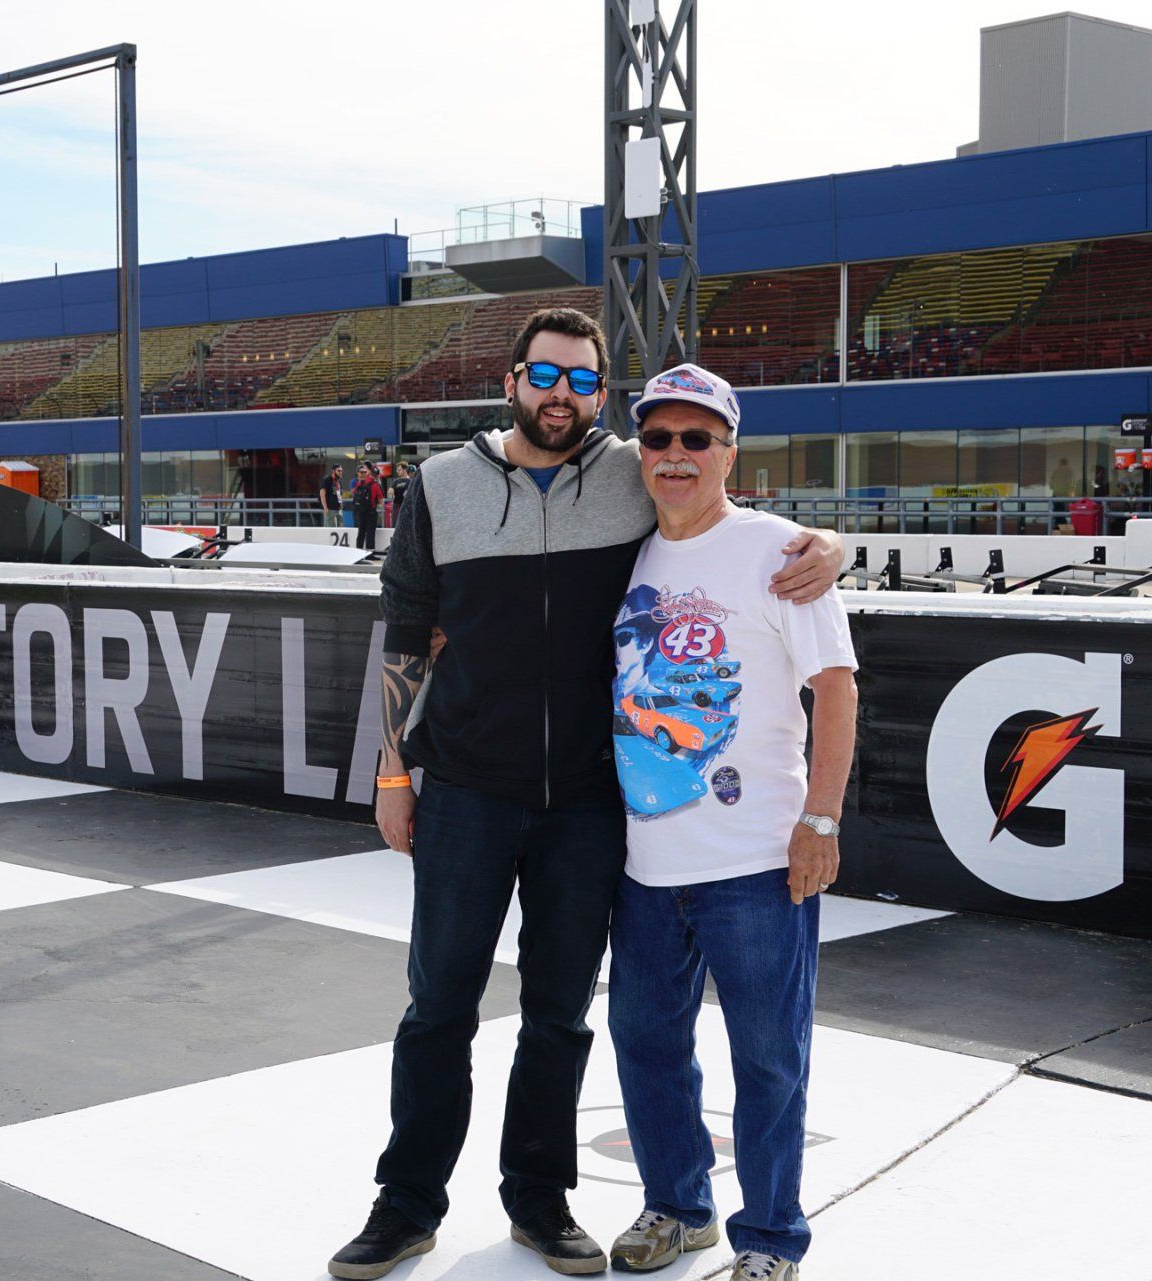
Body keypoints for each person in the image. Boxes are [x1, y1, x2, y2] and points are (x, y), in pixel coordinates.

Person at [328, 308, 845, 1281]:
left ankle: (540, 1200)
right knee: (436, 1006)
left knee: (560, 1012)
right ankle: (405, 1206)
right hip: (468, 793)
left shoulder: (629, 476)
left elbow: (722, 514)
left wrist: (830, 546)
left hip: (590, 805)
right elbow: (402, 638)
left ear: (601, 394)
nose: (562, 396)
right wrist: (393, 773)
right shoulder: (438, 487)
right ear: (513, 378)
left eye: (583, 382)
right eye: (545, 376)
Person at [604, 364, 857, 1281]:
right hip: (643, 863)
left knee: (768, 1059)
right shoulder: (626, 549)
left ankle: (770, 1238)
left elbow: (836, 689)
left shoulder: (779, 550)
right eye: (659, 439)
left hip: (756, 861)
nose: (675, 456)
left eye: (695, 439)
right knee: (647, 1044)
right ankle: (677, 1207)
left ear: (728, 451)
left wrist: (819, 819)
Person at [353, 463, 385, 551]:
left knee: (361, 532)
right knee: (370, 532)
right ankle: (370, 552)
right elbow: (380, 500)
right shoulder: (375, 485)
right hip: (371, 512)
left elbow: (354, 493)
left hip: (360, 512)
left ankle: (358, 551)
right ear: (377, 475)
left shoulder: (360, 483)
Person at [391, 462, 413, 526]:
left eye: (399, 470)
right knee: (395, 524)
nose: (397, 471)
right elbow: (390, 491)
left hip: (407, 506)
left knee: (406, 524)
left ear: (405, 470)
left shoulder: (411, 481)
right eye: (397, 470)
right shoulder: (396, 481)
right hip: (397, 506)